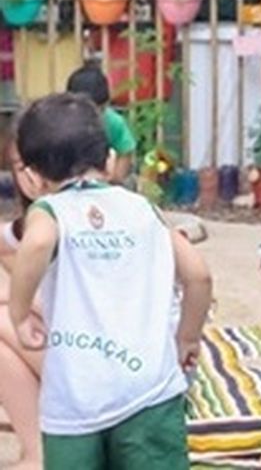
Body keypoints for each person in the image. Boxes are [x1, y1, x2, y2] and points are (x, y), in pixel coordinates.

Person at [7, 94, 213, 469]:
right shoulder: (143, 208)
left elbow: (35, 244)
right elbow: (198, 274)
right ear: (110, 160)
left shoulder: (50, 212)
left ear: (33, 178)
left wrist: (20, 314)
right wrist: (188, 337)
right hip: (151, 390)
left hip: (76, 396)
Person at [0, 139, 44, 470]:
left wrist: (13, 300)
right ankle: (36, 450)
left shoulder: (53, 222)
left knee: (7, 321)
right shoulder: (28, 225)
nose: (28, 176)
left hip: (105, 359)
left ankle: (37, 454)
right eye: (19, 166)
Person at [65, 63, 137, 183]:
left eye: (100, 110)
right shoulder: (61, 123)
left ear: (106, 104)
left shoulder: (114, 122)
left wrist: (113, 181)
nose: (92, 116)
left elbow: (125, 153)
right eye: (85, 111)